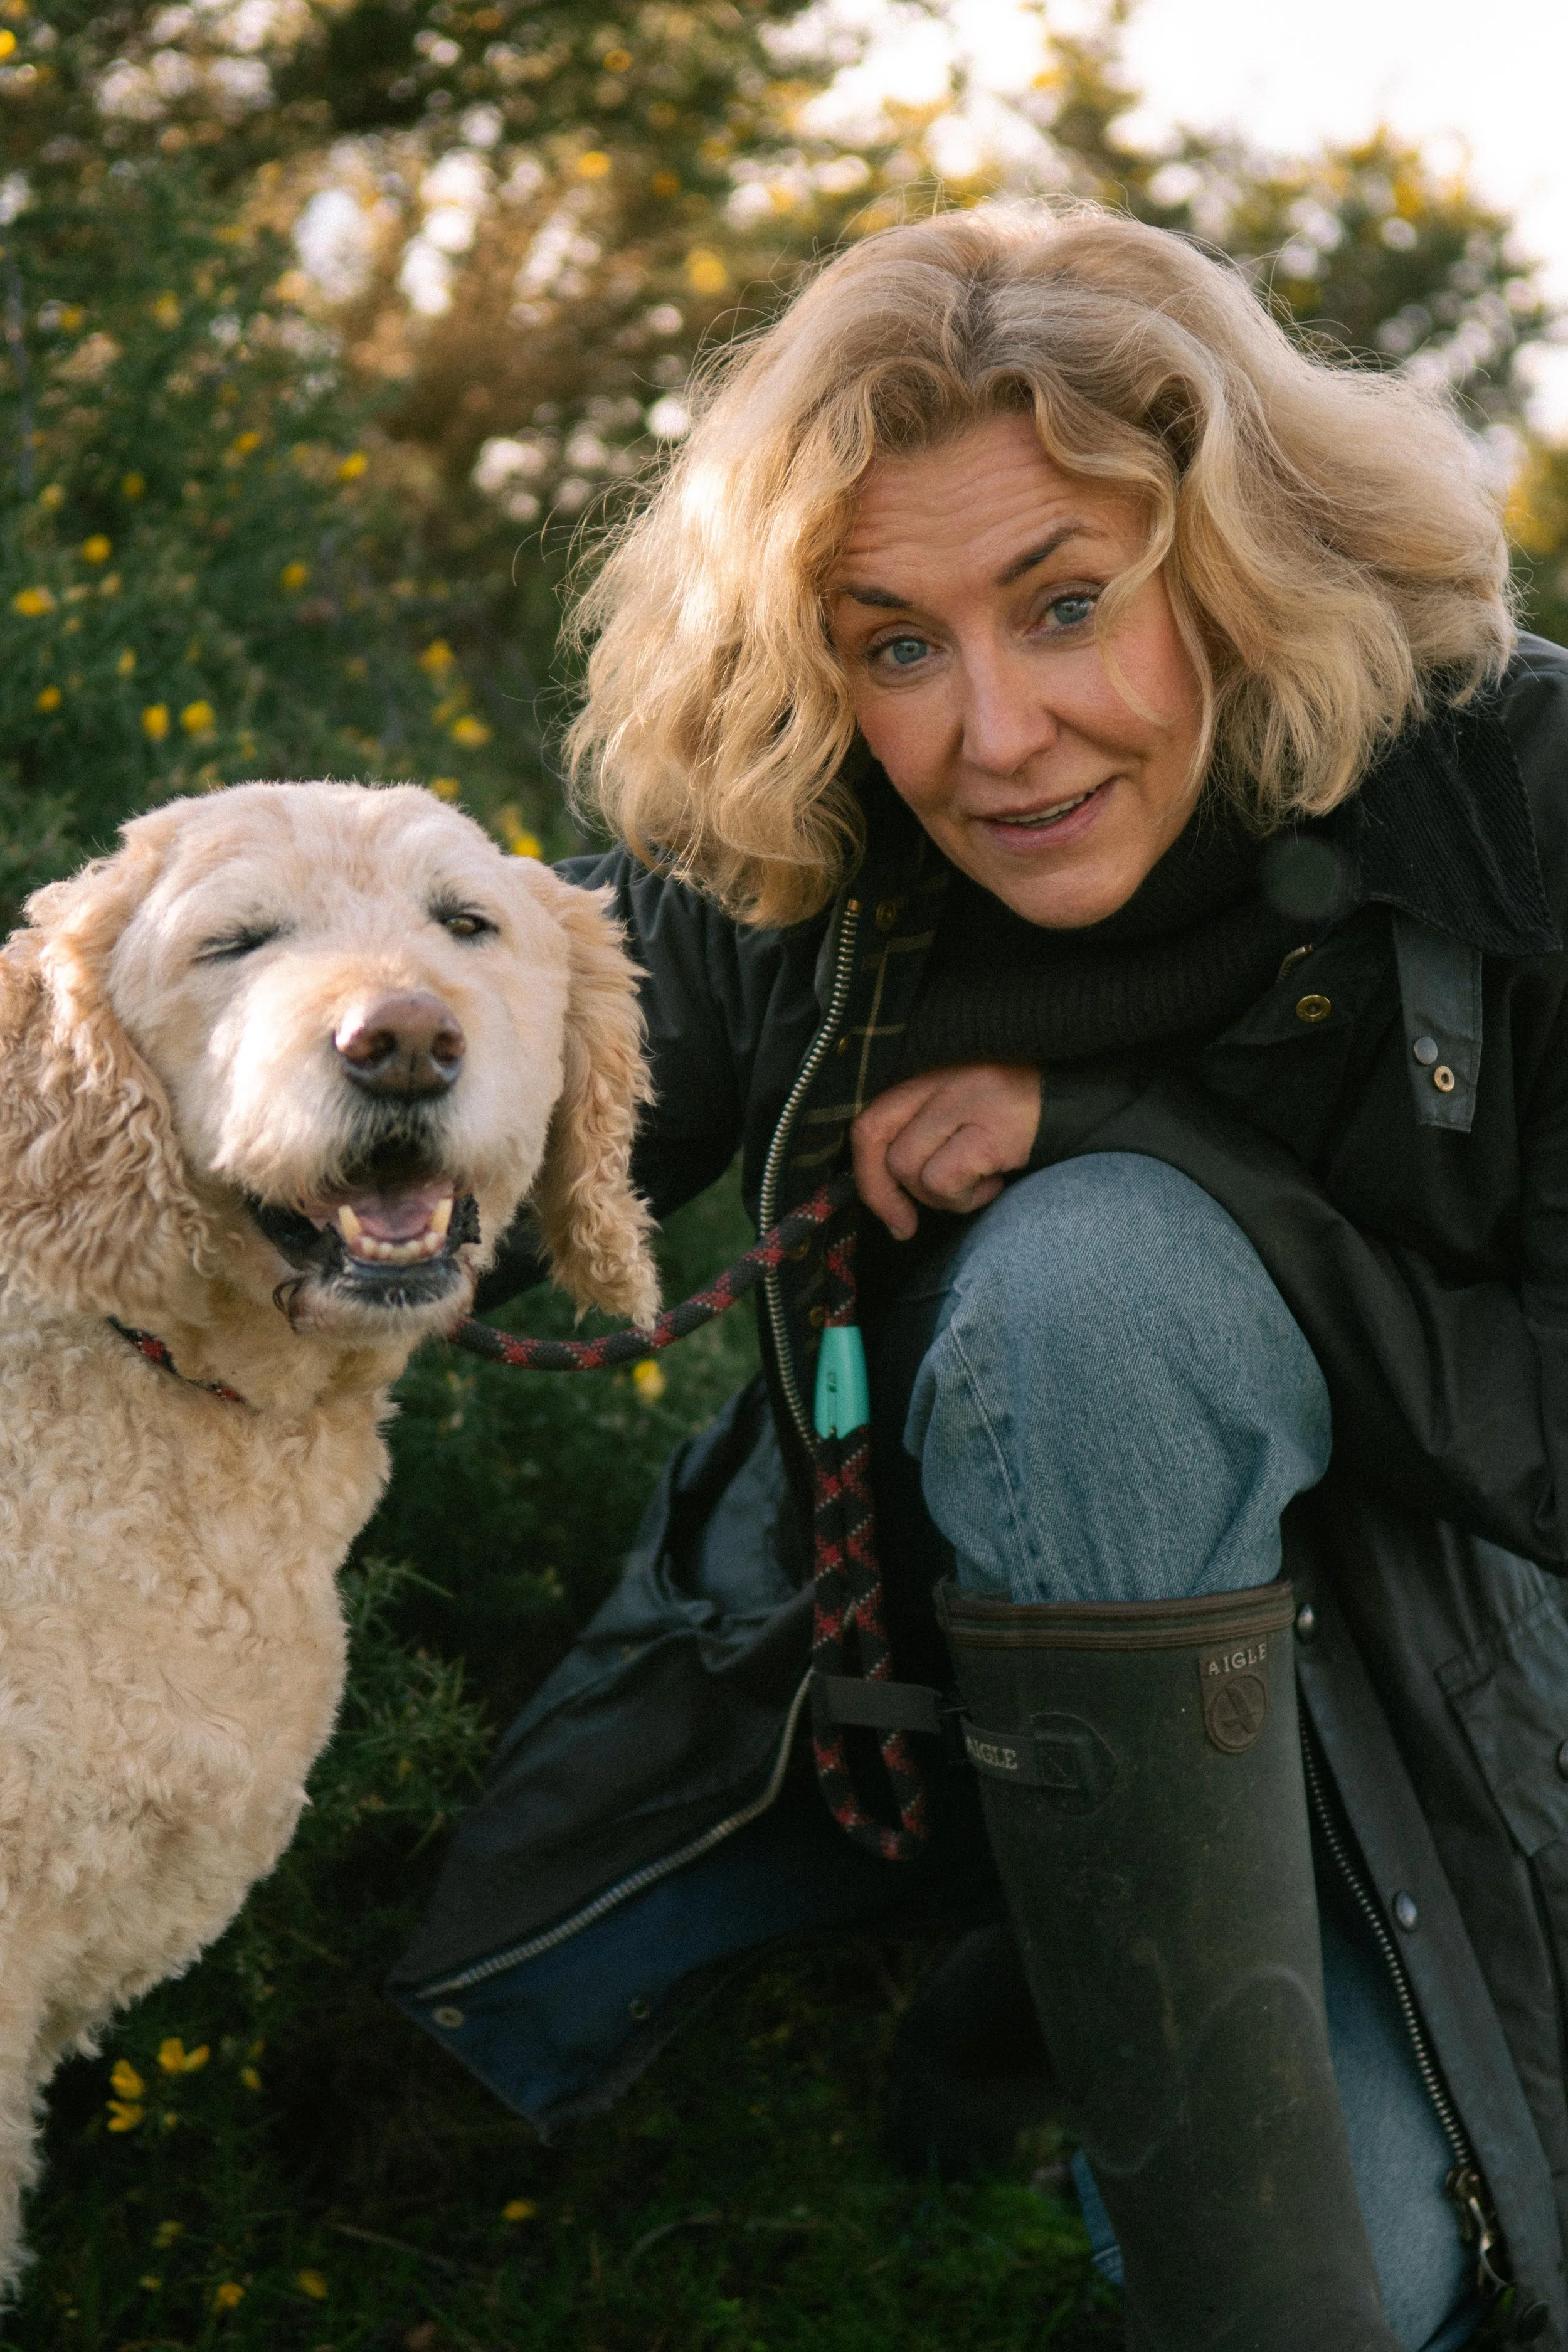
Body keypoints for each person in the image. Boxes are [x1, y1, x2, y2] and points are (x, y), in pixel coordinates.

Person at [391, 201, 1568, 2351]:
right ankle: (1027, 2007)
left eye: (1064, 604)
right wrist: (189, 1045)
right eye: (893, 638)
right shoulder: (807, 820)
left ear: (1229, 556)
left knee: (1103, 1259)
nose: (995, 736)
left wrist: (1123, 1129)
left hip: (1471, 1698)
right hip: (955, 1663)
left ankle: (1063, 2047)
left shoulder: (1515, 792)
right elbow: (496, 1124)